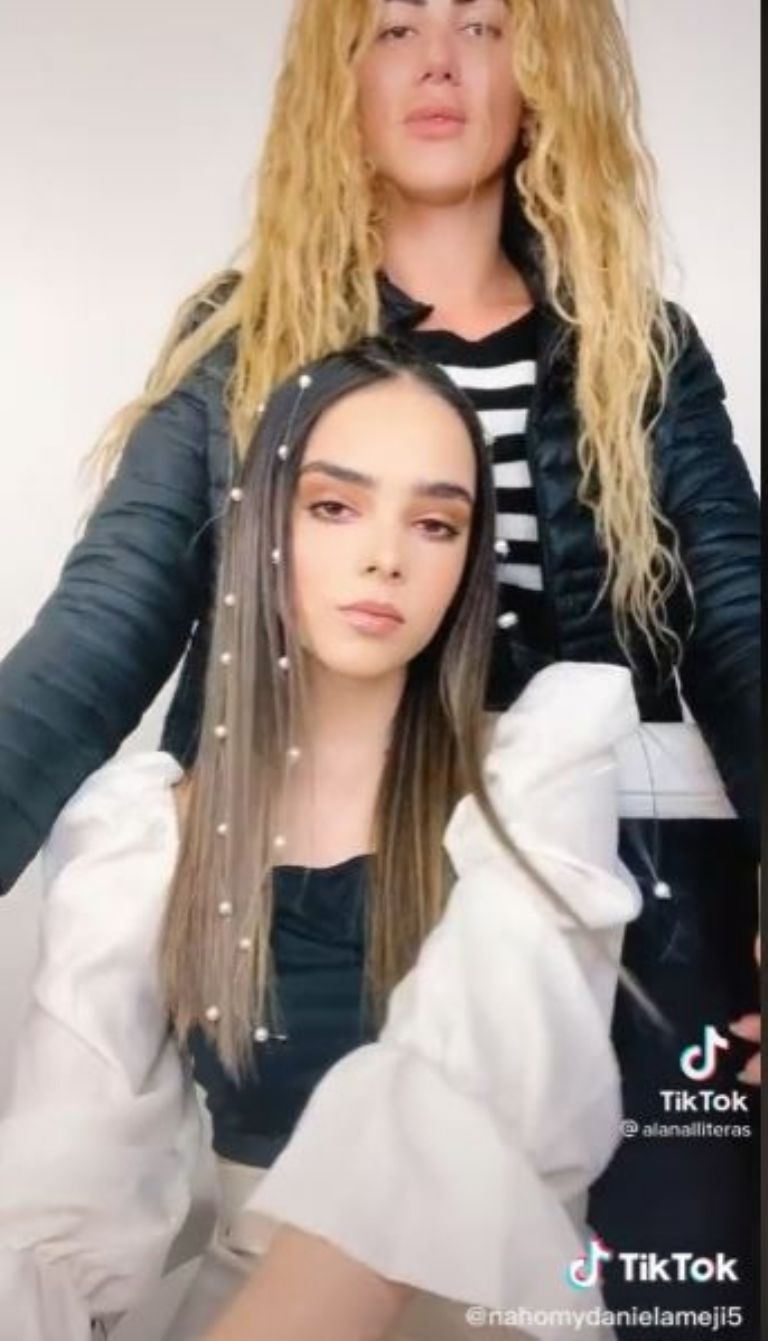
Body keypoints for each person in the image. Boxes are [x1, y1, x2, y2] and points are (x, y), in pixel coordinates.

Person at [0, 0, 760, 1331]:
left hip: (601, 894)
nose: (440, 63)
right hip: (325, 900)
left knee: (658, 1296)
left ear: (547, 71)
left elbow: (742, 628)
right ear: (339, 75)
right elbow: (95, 637)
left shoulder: (638, 347)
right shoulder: (244, 339)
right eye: (395, 27)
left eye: (485, 24)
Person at [0, 339, 644, 1341]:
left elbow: (483, 1076)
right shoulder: (148, 835)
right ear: (262, 525)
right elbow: (60, 1198)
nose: (387, 556)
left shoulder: (539, 777)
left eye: (435, 523)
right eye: (335, 507)